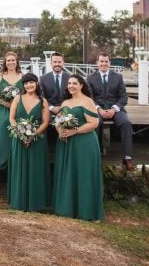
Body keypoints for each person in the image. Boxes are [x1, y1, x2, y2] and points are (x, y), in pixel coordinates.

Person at [52, 74, 104, 221]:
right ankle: (67, 209)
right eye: (69, 83)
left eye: (74, 83)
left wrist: (74, 131)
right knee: (69, 174)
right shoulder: (65, 102)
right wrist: (60, 130)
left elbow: (94, 123)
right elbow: (58, 121)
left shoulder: (88, 101)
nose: (71, 86)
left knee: (84, 176)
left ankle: (87, 212)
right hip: (67, 144)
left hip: (84, 143)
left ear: (81, 85)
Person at [7, 72, 50, 212]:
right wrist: (20, 133)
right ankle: (18, 201)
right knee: (19, 168)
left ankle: (35, 203)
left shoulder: (43, 101)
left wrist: (33, 135)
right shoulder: (18, 98)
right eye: (26, 83)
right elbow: (12, 118)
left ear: (36, 83)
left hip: (37, 140)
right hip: (19, 139)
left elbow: (45, 122)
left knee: (35, 169)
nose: (29, 85)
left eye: (31, 82)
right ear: (23, 85)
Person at [86, 52, 135, 171]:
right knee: (95, 123)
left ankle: (127, 157)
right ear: (97, 63)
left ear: (109, 63)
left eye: (106, 61)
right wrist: (99, 109)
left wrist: (114, 109)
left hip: (116, 109)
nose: (104, 63)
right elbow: (89, 97)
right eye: (101, 61)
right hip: (98, 108)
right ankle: (95, 155)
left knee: (126, 123)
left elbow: (123, 97)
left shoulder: (117, 77)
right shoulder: (90, 78)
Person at [0, 51, 23, 170]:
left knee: (19, 127)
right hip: (3, 109)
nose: (11, 62)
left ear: (17, 62)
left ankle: (17, 160)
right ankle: (4, 157)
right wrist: (5, 103)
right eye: (8, 60)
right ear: (5, 62)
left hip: (18, 109)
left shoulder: (22, 76)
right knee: (4, 125)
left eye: (13, 60)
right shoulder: (0, 76)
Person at [39, 52, 70, 116]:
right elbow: (41, 97)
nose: (57, 64)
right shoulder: (43, 79)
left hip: (68, 109)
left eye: (59, 62)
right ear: (51, 63)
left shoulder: (70, 78)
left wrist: (64, 107)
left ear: (63, 62)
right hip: (49, 110)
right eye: (55, 62)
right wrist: (52, 108)